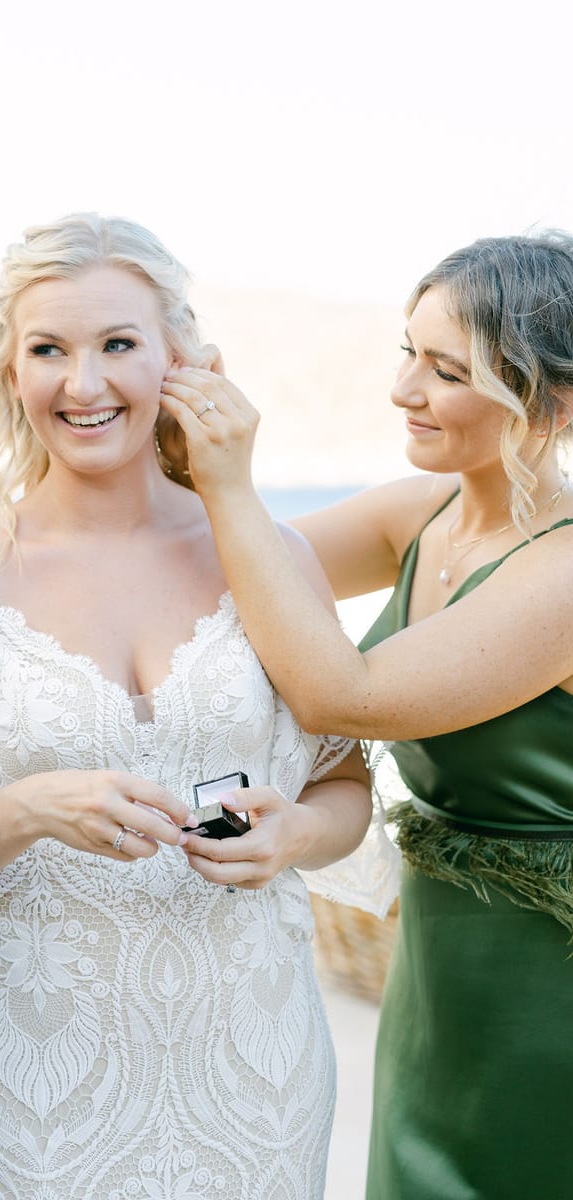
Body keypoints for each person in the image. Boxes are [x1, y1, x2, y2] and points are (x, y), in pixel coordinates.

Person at [0, 213, 379, 1200]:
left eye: (117, 344)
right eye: (48, 350)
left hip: (254, 1071)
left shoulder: (268, 559)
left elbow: (342, 788)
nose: (82, 384)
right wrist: (26, 809)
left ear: (185, 360)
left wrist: (291, 836)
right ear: (10, 374)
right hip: (34, 1094)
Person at [159, 231, 573, 1200]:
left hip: (545, 985)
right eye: (405, 351)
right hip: (438, 970)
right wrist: (180, 438)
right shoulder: (419, 512)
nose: (402, 389)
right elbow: (234, 572)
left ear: (552, 404)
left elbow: (341, 694)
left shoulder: (561, 573)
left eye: (445, 371)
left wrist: (228, 481)